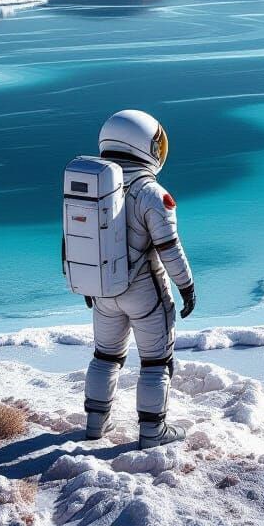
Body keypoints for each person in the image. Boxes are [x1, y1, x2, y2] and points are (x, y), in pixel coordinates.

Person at [83, 109, 196, 448]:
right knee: (155, 360)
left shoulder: (93, 183)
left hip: (102, 289)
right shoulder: (151, 192)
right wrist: (187, 286)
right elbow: (168, 248)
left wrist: (88, 282)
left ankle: (95, 424)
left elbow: (73, 237)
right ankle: (152, 431)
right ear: (144, 145)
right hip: (144, 291)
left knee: (106, 356)